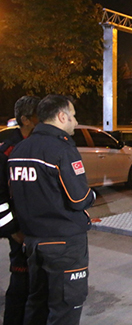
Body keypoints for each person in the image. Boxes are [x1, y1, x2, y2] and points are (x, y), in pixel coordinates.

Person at [8, 95, 96, 325]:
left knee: (37, 304)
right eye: (73, 116)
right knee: (65, 308)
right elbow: (79, 199)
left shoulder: (19, 150)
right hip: (64, 245)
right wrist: (92, 196)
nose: (76, 121)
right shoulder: (62, 149)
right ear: (61, 116)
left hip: (33, 243)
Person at [0, 96, 40, 325]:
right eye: (38, 116)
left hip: (38, 229)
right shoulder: (7, 151)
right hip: (20, 231)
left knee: (37, 288)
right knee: (20, 285)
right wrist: (13, 230)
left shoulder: (38, 145)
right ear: (25, 120)